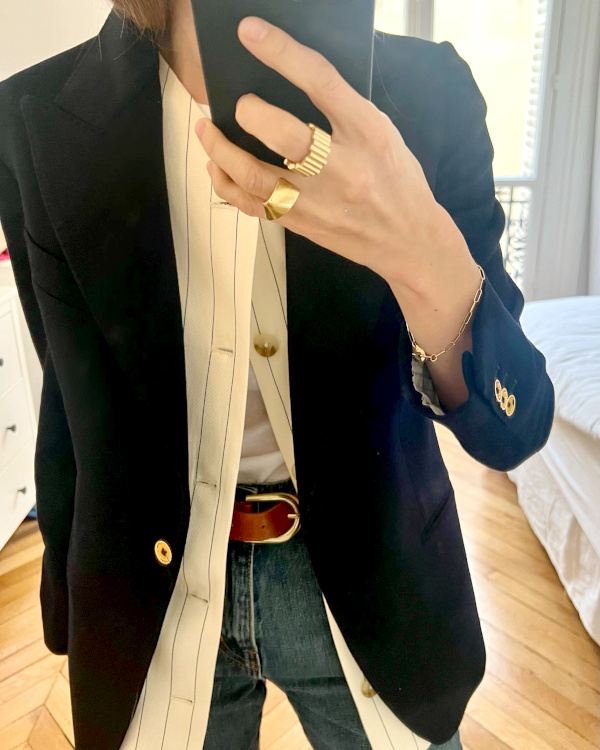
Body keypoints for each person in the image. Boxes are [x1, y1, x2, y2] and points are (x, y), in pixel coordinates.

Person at [0, 1, 555, 748]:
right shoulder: (35, 117)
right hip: (147, 596)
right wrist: (69, 606)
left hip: (378, 581)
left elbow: (514, 427)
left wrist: (421, 253)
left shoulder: (430, 96)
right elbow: (70, 402)